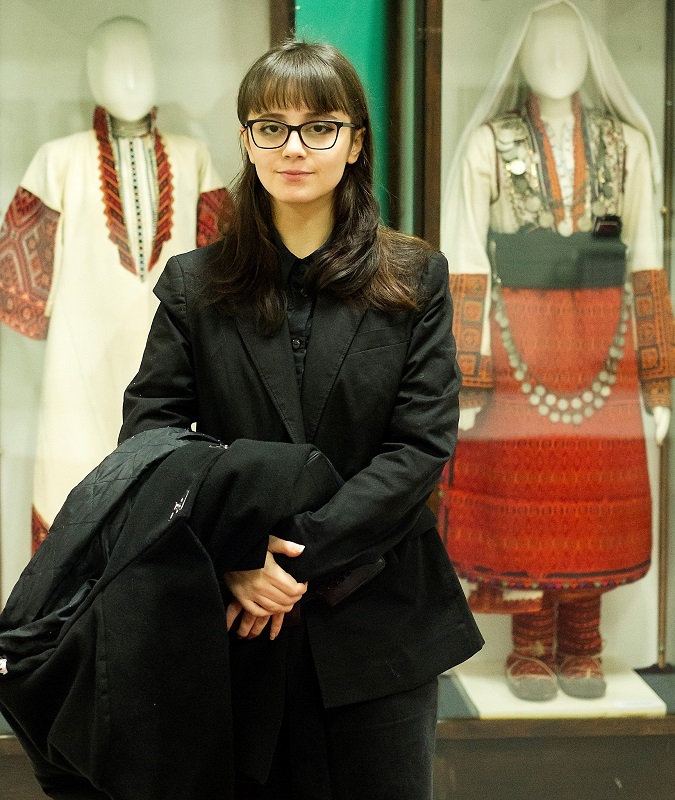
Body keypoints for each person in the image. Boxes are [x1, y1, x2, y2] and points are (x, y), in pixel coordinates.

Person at [119, 39, 483, 800]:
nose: (293, 147)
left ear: (354, 142)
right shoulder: (194, 285)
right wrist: (234, 555)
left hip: (379, 617)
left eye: (319, 127)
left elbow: (419, 447)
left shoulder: (413, 276)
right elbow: (152, 438)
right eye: (271, 127)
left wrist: (288, 559)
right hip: (234, 619)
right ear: (247, 141)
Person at [438, 0, 675, 702]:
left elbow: (647, 262)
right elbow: (464, 258)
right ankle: (531, 645)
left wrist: (658, 381)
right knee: (522, 493)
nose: (556, 58)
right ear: (518, 52)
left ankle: (585, 644)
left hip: (605, 342)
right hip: (518, 339)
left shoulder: (628, 146)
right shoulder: (487, 145)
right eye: (541, 44)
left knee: (594, 498)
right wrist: (469, 374)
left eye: (570, 44)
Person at [0, 16, 230, 550]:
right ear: (90, 71)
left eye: (141, 61)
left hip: (173, 361)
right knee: (75, 488)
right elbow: (19, 291)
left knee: (170, 494)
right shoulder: (58, 160)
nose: (130, 76)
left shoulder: (193, 158)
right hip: (78, 365)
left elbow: (225, 273)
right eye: (114, 62)